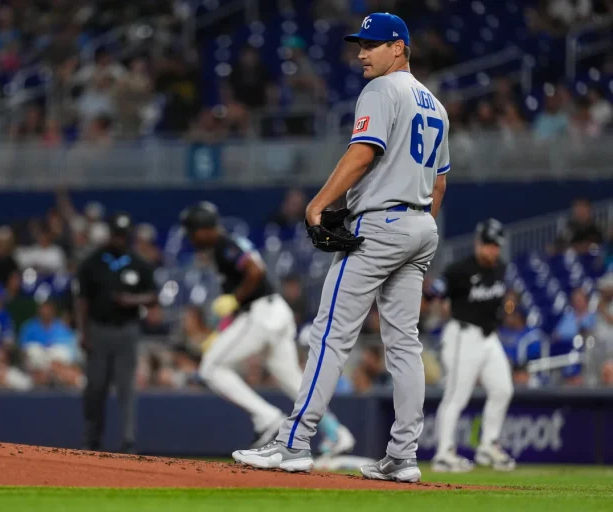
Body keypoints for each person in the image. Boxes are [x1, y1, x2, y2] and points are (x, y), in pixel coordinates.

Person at [232, 13, 447, 483]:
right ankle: (404, 456)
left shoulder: (382, 91)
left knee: (329, 332)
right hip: (418, 227)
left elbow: (362, 151)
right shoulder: (435, 105)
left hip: (383, 225)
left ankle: (293, 442)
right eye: (360, 44)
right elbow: (440, 182)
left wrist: (318, 204)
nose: (361, 53)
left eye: (372, 45)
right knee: (404, 345)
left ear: (399, 48)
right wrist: (414, 228)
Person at [179, 202, 355, 458]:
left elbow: (255, 270)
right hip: (274, 313)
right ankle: (336, 433)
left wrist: (236, 299)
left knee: (210, 368)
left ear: (204, 229)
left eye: (192, 230)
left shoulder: (222, 244)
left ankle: (267, 417)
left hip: (261, 313)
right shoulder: (227, 243)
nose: (190, 237)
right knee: (294, 383)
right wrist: (221, 332)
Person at [431, 219, 516, 472]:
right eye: (489, 244)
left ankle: (488, 446)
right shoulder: (460, 270)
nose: (493, 250)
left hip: (489, 339)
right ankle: (444, 453)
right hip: (462, 336)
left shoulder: (500, 268)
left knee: (503, 389)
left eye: (496, 245)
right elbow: (435, 293)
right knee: (456, 396)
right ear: (478, 243)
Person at [76, 212, 157, 453]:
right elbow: (82, 301)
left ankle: (128, 440)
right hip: (99, 330)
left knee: (126, 388)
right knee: (95, 388)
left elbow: (153, 297)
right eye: (117, 235)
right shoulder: (92, 263)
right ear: (110, 235)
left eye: (124, 236)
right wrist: (84, 333)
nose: (120, 240)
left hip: (127, 331)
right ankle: (92, 439)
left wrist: (130, 300)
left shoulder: (138, 263)